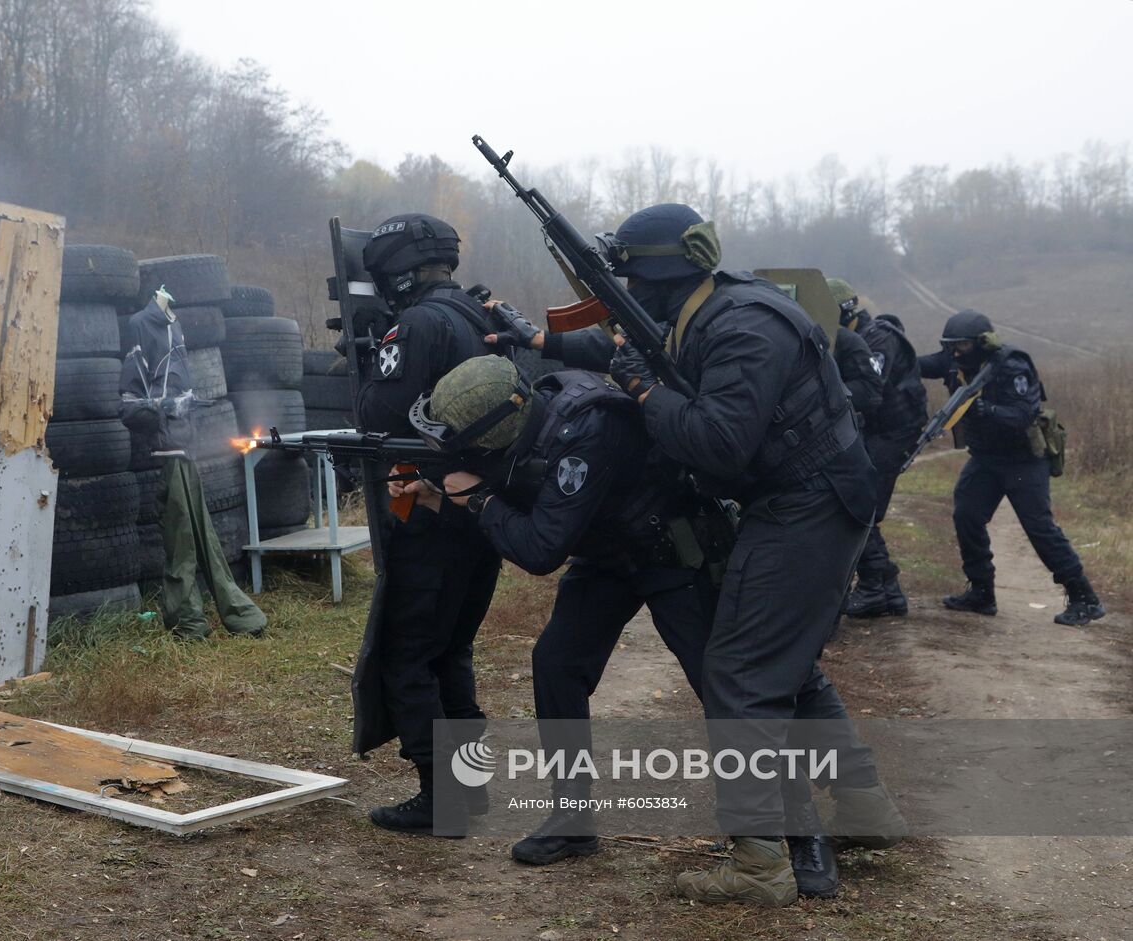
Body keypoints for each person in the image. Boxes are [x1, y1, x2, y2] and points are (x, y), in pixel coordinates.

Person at [522, 203, 907, 905]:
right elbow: (637, 354)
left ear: (664, 274)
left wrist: (641, 387)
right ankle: (865, 809)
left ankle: (760, 864)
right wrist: (541, 340)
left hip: (810, 505)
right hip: (799, 499)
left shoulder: (741, 326)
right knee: (782, 666)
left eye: (633, 280)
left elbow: (717, 441)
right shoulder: (707, 311)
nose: (627, 294)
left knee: (741, 671)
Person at [404, 355, 843, 897]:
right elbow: (529, 503)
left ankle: (803, 835)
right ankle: (573, 818)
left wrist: (480, 499)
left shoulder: (588, 429)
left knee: (732, 693)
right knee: (556, 664)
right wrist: (448, 496)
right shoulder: (530, 424)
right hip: (608, 557)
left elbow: (540, 549)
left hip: (673, 554)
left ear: (495, 430)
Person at [353, 213, 505, 836]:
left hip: (428, 510)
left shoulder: (418, 324)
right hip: (481, 512)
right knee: (451, 651)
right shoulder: (480, 316)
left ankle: (439, 797)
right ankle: (467, 790)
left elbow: (380, 415)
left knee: (407, 654)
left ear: (399, 273)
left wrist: (367, 356)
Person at [918, 310, 1104, 625]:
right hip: (986, 459)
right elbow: (922, 364)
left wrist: (982, 408)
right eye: (950, 346)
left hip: (1023, 460)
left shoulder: (1011, 365)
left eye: (961, 345)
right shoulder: (955, 361)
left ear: (980, 343)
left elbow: (1022, 415)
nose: (955, 353)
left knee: (1039, 528)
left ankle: (1084, 596)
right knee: (967, 515)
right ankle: (981, 592)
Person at [120, 288, 267, 639]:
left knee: (204, 539)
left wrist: (188, 405)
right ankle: (191, 623)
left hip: (186, 449)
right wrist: (166, 407)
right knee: (181, 543)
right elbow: (128, 405)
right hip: (166, 452)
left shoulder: (176, 325)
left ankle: (235, 617)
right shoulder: (141, 325)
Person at [829, 279, 928, 618]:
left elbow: (872, 390)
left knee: (860, 507)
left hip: (892, 435)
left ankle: (874, 587)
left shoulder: (877, 339)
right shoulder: (865, 337)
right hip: (882, 434)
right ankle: (888, 591)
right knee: (863, 507)